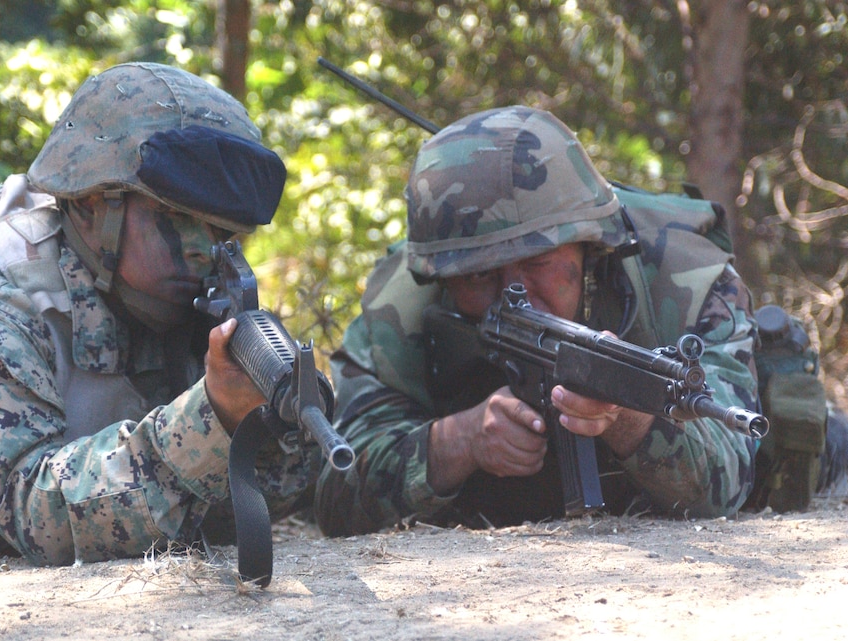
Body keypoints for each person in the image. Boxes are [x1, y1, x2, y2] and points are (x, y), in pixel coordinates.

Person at [0, 62, 318, 565]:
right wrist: (212, 415)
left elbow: (239, 507)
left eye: (222, 232)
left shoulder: (169, 305)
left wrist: (272, 420)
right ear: (89, 205)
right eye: (175, 218)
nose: (202, 250)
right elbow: (41, 516)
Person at [314, 106, 761, 536]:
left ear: (589, 249)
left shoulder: (685, 277)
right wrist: (459, 440)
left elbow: (730, 474)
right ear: (443, 279)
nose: (516, 294)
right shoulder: (402, 306)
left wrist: (628, 413)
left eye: (539, 263)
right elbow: (335, 490)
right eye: (479, 275)